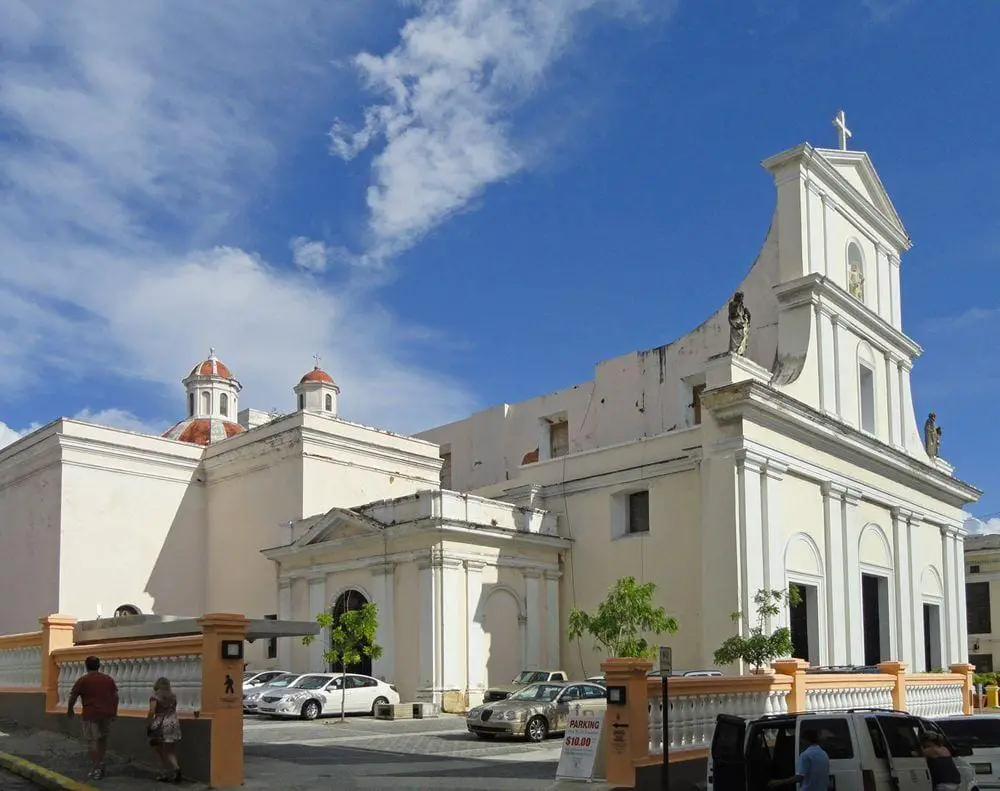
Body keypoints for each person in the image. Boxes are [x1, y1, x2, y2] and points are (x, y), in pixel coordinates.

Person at [67, 656, 119, 780]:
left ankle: (97, 767)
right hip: (106, 714)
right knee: (102, 739)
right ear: (98, 665)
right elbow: (116, 696)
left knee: (93, 741)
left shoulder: (83, 680)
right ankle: (100, 763)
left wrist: (70, 709)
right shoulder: (108, 679)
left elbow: (73, 696)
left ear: (86, 666)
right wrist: (114, 711)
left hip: (91, 714)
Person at [146, 677, 183, 783]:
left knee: (158, 751)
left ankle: (163, 773)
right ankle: (176, 768)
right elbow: (173, 709)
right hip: (173, 722)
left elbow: (152, 711)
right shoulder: (173, 696)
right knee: (170, 750)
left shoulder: (155, 697)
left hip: (160, 724)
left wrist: (148, 722)